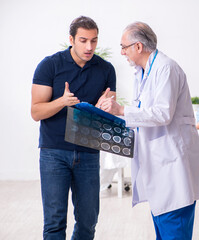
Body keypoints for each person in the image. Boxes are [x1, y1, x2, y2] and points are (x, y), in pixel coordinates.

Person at [97, 22, 199, 239]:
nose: (122, 52)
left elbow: (162, 113)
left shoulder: (165, 68)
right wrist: (114, 114)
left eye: (124, 47)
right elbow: (140, 113)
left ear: (138, 46)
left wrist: (122, 109)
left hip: (172, 167)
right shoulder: (142, 73)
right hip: (158, 167)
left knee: (173, 228)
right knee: (163, 228)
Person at [31, 16, 116, 240]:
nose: (89, 47)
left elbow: (109, 111)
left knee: (88, 221)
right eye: (83, 40)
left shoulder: (106, 69)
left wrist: (103, 109)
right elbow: (36, 112)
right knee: (54, 222)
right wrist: (62, 101)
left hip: (88, 152)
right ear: (71, 39)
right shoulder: (50, 65)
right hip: (54, 152)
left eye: (94, 41)